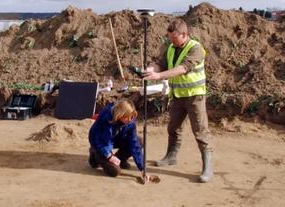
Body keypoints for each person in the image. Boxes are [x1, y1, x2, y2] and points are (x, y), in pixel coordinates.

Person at [144, 18, 213, 183]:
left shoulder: (196, 49)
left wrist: (159, 76)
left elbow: (182, 69)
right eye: (170, 38)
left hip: (195, 96)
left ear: (185, 34)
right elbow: (162, 64)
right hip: (178, 95)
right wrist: (150, 69)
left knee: (201, 131)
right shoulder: (171, 48)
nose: (172, 41)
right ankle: (171, 157)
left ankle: (207, 168)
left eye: (175, 38)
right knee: (173, 128)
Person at [88, 99, 148, 182]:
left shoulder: (131, 121)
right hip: (102, 143)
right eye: (127, 117)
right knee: (115, 171)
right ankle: (94, 155)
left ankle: (120, 160)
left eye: (131, 117)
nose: (129, 120)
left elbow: (134, 143)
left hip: (116, 140)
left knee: (139, 141)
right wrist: (109, 155)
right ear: (120, 113)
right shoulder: (106, 116)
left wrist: (142, 168)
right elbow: (94, 138)